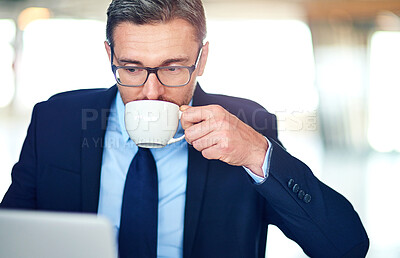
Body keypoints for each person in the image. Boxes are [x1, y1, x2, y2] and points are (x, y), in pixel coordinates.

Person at [0, 0, 369, 257]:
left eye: (173, 68)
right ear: (109, 56)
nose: (151, 92)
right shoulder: (55, 119)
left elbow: (345, 246)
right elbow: (9, 238)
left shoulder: (248, 123)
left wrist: (258, 154)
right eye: (130, 68)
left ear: (202, 59)